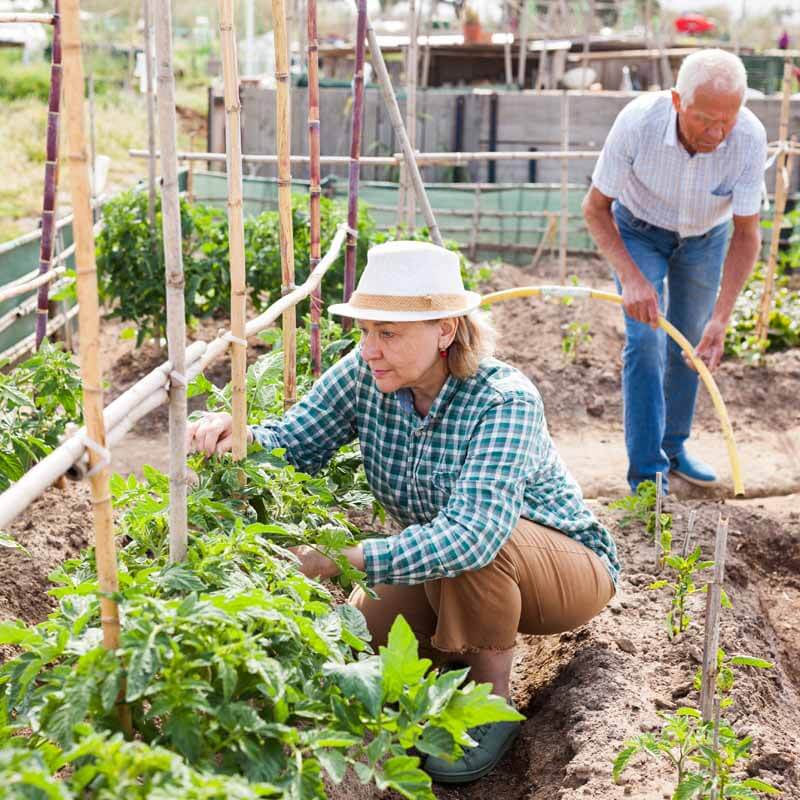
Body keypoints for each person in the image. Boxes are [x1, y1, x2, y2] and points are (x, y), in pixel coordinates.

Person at [187, 241, 621, 784]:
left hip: (562, 571)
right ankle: (447, 665)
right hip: (449, 563)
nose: (370, 348)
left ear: (445, 330)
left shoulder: (503, 399)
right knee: (360, 651)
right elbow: (296, 441)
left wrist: (334, 559)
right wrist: (242, 436)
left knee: (478, 540)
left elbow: (472, 536)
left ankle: (490, 699)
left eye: (388, 333)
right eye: (366, 330)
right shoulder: (365, 374)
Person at [582, 49, 766, 493]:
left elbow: (746, 234)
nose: (718, 132)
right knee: (645, 341)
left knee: (693, 341)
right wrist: (631, 277)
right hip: (638, 230)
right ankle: (647, 475)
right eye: (706, 119)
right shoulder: (638, 122)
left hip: (706, 238)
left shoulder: (748, 137)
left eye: (728, 119)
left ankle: (674, 448)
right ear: (677, 101)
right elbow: (595, 209)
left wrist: (722, 318)